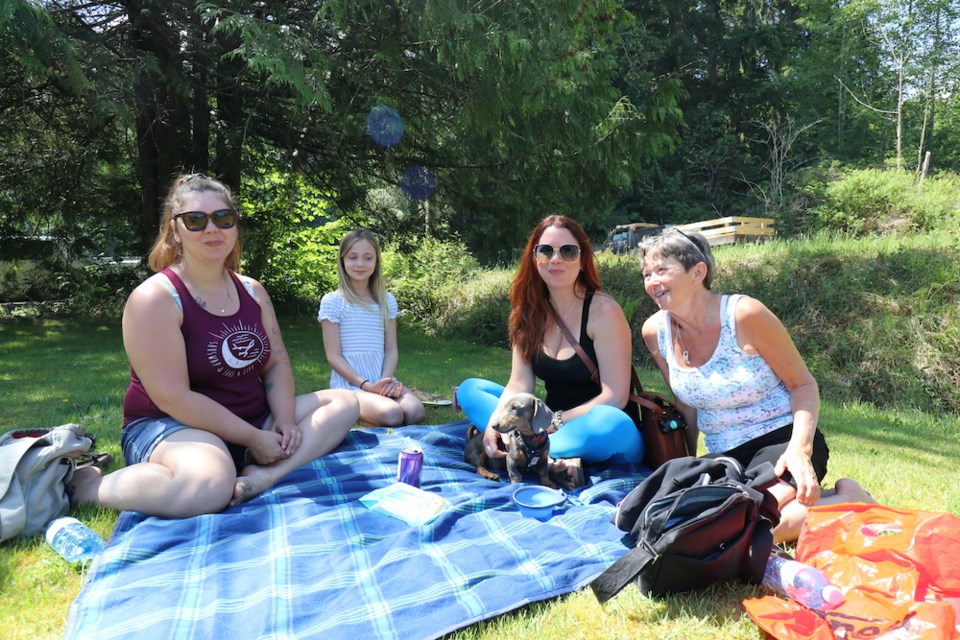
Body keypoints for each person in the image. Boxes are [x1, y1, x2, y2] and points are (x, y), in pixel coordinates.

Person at [68, 173, 360, 518]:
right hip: (172, 426)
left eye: (223, 218)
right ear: (174, 230)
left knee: (344, 403)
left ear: (235, 226)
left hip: (252, 418)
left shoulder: (253, 291)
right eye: (195, 220)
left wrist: (283, 420)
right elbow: (173, 397)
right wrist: (253, 438)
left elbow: (276, 364)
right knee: (208, 487)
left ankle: (265, 476)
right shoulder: (155, 299)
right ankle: (87, 486)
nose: (212, 229)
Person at [638, 229, 874, 543]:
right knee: (700, 524)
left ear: (698, 272)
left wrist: (799, 451)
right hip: (726, 457)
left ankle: (852, 502)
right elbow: (687, 406)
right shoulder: (655, 331)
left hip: (782, 441)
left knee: (754, 527)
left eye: (661, 270)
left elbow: (803, 385)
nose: (652, 282)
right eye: (646, 274)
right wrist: (686, 466)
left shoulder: (745, 314)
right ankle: (839, 500)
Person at [457, 215, 644, 488]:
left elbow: (615, 397)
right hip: (544, 426)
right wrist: (497, 422)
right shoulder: (528, 312)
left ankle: (536, 453)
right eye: (545, 251)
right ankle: (548, 457)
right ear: (535, 259)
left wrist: (552, 423)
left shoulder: (604, 312)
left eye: (568, 251)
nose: (556, 259)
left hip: (601, 429)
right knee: (470, 390)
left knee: (609, 421)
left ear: (582, 261)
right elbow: (520, 383)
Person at [318, 230, 425, 427]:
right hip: (351, 385)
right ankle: (358, 409)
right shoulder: (333, 301)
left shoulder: (386, 301)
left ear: (376, 262)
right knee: (392, 415)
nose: (360, 264)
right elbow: (333, 356)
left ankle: (378, 401)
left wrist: (385, 381)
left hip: (382, 379)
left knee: (415, 411)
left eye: (368, 258)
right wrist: (366, 385)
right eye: (353, 257)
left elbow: (391, 349)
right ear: (342, 260)